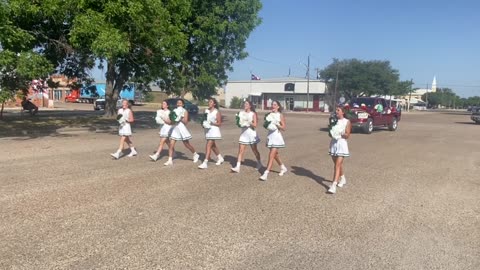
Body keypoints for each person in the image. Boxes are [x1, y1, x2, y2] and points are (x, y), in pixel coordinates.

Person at [164, 99, 199, 166]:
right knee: (171, 145)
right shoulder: (174, 111)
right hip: (175, 129)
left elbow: (185, 122)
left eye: (180, 103)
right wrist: (168, 121)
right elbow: (172, 120)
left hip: (182, 128)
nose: (178, 104)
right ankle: (170, 160)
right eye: (178, 103)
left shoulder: (185, 111)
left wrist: (180, 118)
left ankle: (195, 154)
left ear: (183, 104)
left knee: (186, 144)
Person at [231, 100, 262, 173]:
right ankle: (237, 167)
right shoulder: (241, 113)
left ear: (250, 106)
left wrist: (248, 123)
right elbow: (239, 122)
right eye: (245, 104)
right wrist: (240, 123)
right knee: (240, 150)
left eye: (247, 104)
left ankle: (259, 162)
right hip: (244, 134)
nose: (245, 105)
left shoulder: (253, 114)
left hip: (251, 134)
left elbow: (255, 125)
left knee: (254, 150)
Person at [259, 100, 287, 181]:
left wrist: (277, 124)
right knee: (275, 155)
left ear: (278, 107)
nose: (273, 106)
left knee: (271, 155)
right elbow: (266, 125)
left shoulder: (280, 115)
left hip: (277, 137)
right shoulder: (269, 115)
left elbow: (284, 128)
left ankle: (266, 173)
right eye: (272, 104)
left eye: (275, 105)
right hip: (270, 136)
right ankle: (282, 167)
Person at [327, 106, 352, 194]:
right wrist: (331, 132)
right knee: (337, 164)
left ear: (343, 112)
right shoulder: (333, 120)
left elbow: (348, 135)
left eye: (338, 110)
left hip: (341, 144)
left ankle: (333, 185)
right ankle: (343, 178)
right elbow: (330, 134)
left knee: (337, 165)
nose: (336, 111)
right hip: (333, 144)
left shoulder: (347, 122)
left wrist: (341, 133)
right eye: (336, 110)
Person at [198, 98, 224, 169]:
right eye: (209, 101)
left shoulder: (216, 112)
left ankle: (205, 162)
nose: (209, 103)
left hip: (214, 130)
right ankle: (220, 157)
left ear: (214, 104)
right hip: (207, 130)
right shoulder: (206, 111)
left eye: (211, 102)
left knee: (209, 144)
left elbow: (219, 123)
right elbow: (204, 119)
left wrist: (212, 123)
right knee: (213, 146)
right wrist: (203, 123)